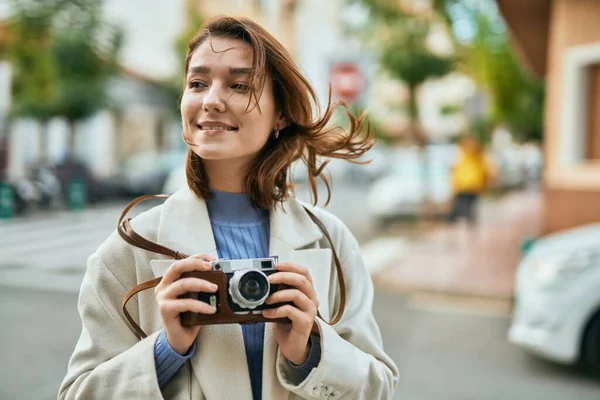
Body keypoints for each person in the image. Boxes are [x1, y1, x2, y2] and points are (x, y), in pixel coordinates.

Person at [59, 16, 398, 400]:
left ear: (281, 114)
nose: (211, 100)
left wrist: (310, 351)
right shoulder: (125, 252)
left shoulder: (332, 242)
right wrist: (165, 350)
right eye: (197, 83)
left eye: (239, 85)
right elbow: (78, 394)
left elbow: (378, 388)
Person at [446, 137, 492, 225]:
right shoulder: (476, 156)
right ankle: (467, 218)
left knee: (464, 204)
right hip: (472, 184)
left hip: (465, 184)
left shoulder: (464, 156)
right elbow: (485, 170)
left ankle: (463, 218)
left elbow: (455, 170)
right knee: (469, 205)